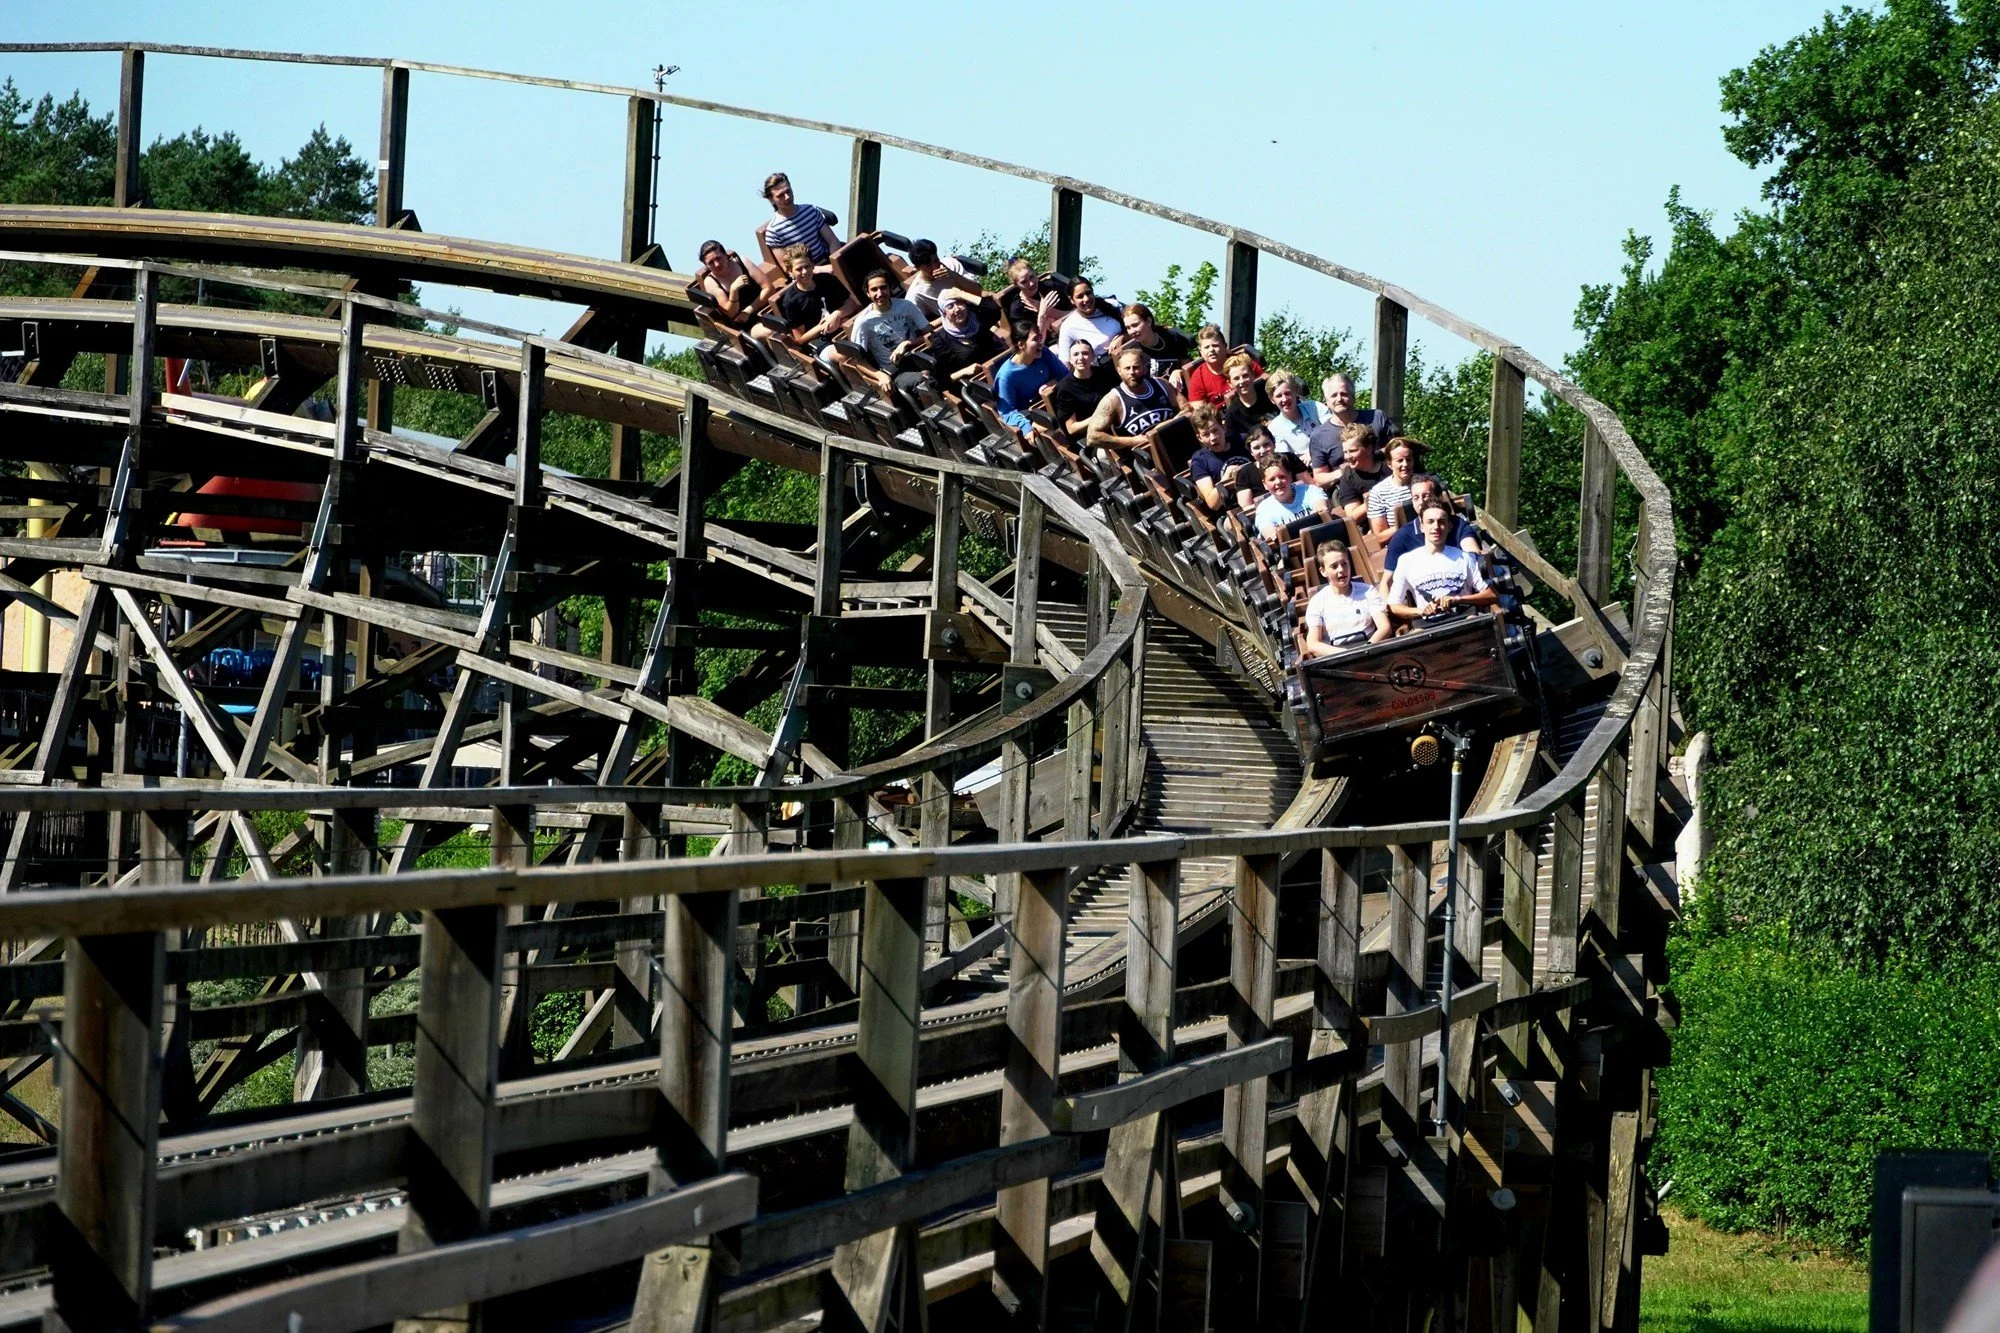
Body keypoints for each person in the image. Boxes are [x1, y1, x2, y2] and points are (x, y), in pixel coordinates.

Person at [1387, 494, 1499, 621]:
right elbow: (1394, 606)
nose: (1436, 527)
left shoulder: (1465, 558)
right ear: (1422, 527)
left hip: (1464, 617)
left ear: (1449, 526)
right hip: (1428, 623)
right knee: (1418, 632)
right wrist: (1420, 611)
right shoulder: (1406, 561)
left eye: (1441, 522)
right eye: (1430, 522)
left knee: (1473, 621)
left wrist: (1458, 599)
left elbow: (1492, 595)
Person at [1086, 344, 1184, 463]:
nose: (1132, 372)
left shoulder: (1161, 384)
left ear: (1144, 368)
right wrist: (1133, 441)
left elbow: (1187, 409)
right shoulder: (1113, 400)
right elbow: (1092, 437)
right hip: (1145, 458)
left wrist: (1161, 429)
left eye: (1136, 367)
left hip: (1178, 441)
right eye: (1127, 368)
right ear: (1119, 371)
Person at [847, 269, 932, 394]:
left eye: (883, 288)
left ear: (890, 288)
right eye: (874, 289)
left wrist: (908, 343)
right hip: (897, 371)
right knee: (925, 380)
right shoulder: (863, 322)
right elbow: (857, 361)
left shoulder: (906, 306)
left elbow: (930, 334)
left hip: (921, 357)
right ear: (867, 293)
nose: (880, 293)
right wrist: (880, 375)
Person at [1381, 474, 1482, 578]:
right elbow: (1387, 580)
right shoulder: (1402, 537)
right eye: (1416, 498)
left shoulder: (1457, 524)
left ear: (1439, 497)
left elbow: (1472, 553)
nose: (1421, 502)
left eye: (1426, 496)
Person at [1304, 546, 1392, 655]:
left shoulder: (1368, 591)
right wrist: (1346, 655)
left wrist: (1365, 650)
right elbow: (1313, 644)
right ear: (1323, 571)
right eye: (1334, 566)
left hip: (1371, 649)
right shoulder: (1316, 602)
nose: (1341, 570)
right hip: (1337, 655)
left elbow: (1384, 627)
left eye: (1344, 564)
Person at [755, 171, 840, 273]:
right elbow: (788, 269)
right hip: (806, 274)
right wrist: (820, 269)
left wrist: (834, 264)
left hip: (828, 262)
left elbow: (832, 240)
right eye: (780, 195)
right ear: (771, 199)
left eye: (788, 191)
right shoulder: (773, 231)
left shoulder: (811, 211)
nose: (787, 197)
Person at [772, 245, 852, 349]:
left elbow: (852, 304)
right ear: (790, 271)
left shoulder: (827, 279)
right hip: (822, 342)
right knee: (845, 353)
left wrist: (836, 315)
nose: (804, 272)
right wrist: (823, 326)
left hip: (843, 326)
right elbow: (800, 339)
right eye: (799, 269)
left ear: (813, 265)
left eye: (807, 266)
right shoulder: (791, 300)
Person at [995, 319, 1064, 435]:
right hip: (1035, 416)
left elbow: (1064, 374)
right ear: (1021, 345)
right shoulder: (1006, 376)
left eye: (1040, 338)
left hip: (1056, 401)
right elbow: (1007, 412)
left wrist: (1050, 384)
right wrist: (1025, 426)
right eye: (1035, 339)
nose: (1041, 343)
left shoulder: (1044, 353)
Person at [926, 288, 1004, 387]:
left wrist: (962, 294)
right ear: (944, 313)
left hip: (1001, 366)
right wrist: (963, 372)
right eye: (950, 306)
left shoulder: (977, 318)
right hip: (979, 384)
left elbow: (994, 310)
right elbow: (941, 381)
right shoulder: (940, 340)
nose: (957, 309)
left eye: (960, 303)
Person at [1049, 336, 1119, 441]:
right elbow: (1072, 428)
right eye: (1076, 354)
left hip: (1118, 422)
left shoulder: (1105, 373)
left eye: (1085, 353)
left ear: (1093, 357)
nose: (1081, 357)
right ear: (1070, 359)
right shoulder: (1064, 389)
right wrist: (1102, 416)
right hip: (1093, 435)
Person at [1186, 403, 1250, 514]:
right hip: (1234, 511)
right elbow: (1213, 503)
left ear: (1223, 427)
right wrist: (1226, 478)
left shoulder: (1242, 441)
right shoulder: (1200, 461)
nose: (1213, 438)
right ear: (1199, 438)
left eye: (1215, 430)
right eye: (1206, 434)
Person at [901, 238, 983, 320]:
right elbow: (919, 323)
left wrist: (954, 275)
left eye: (936, 261)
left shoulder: (951, 264)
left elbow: (978, 292)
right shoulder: (916, 294)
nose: (935, 267)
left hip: (978, 308)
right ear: (917, 268)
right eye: (928, 266)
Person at [694, 239, 768, 328]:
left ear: (725, 255)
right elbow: (731, 313)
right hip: (748, 324)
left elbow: (768, 288)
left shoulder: (742, 262)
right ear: (706, 266)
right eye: (711, 262)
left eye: (718, 258)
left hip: (766, 309)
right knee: (769, 331)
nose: (717, 264)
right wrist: (734, 290)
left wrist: (748, 310)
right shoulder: (711, 282)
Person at [1253, 461, 1332, 542]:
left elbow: (1322, 509)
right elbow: (1271, 535)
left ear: (1290, 476)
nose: (1278, 482)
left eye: (1282, 477)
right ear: (1265, 484)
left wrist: (1321, 509)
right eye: (1272, 479)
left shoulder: (1309, 490)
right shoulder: (1264, 509)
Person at [1184, 324, 1261, 405]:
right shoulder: (1198, 377)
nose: (1211, 350)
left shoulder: (1242, 362)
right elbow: (1199, 409)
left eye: (1215, 345)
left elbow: (1265, 379)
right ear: (1200, 351)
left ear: (1225, 346)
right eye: (1207, 347)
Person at [1114, 303, 1193, 381]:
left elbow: (1188, 368)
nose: (1132, 331)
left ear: (1148, 321)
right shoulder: (1132, 352)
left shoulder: (1171, 337)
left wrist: (1179, 372)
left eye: (1135, 325)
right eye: (1128, 328)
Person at [1236, 424, 1303, 513]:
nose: (1262, 451)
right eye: (1256, 448)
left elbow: (1308, 484)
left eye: (1266, 444)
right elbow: (1247, 508)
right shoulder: (1245, 473)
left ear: (1274, 443)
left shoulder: (1290, 459)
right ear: (1251, 452)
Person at [1055, 278, 1123, 364]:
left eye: (1088, 293)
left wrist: (1122, 338)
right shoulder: (1068, 327)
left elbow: (1135, 327)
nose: (1086, 299)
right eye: (1080, 296)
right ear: (1072, 300)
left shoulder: (1113, 305)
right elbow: (1065, 363)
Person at [1264, 368, 1324, 464]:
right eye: (1279, 396)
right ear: (1272, 399)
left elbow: (1333, 432)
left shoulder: (1315, 407)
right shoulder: (1274, 429)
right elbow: (1285, 460)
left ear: (1296, 391)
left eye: (1288, 393)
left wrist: (1314, 453)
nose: (1284, 399)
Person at [1329, 423, 1388, 520]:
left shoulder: (1390, 464)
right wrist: (1376, 496)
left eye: (1353, 451)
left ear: (1369, 449)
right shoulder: (1348, 478)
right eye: (1345, 452)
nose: (1347, 457)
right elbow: (1353, 516)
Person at [1367, 437, 1420, 538]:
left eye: (1409, 459)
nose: (1405, 464)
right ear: (1390, 464)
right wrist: (1411, 524)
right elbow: (1380, 536)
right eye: (1400, 461)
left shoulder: (1425, 483)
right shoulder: (1378, 492)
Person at [1321, 371, 1394, 443]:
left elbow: (1398, 445)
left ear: (1353, 397)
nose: (1339, 399)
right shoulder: (1320, 436)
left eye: (1344, 394)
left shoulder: (1377, 419)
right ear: (1327, 402)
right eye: (1334, 396)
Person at [1221, 353, 1275, 449]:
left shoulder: (1269, 392)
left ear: (1253, 375)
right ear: (1230, 383)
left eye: (1245, 375)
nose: (1242, 381)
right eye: (1236, 378)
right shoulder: (1233, 414)